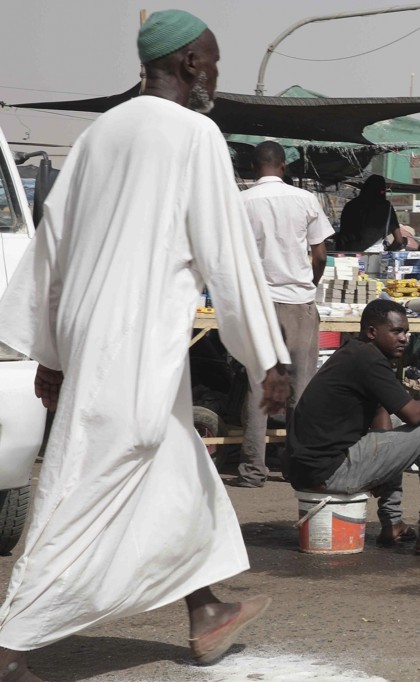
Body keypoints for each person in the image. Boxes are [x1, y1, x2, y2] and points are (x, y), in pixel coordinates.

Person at [0, 11, 292, 678]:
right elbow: (228, 256)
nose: (216, 74)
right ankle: (10, 647)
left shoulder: (101, 134)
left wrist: (49, 349)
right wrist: (266, 358)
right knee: (82, 495)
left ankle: (206, 609)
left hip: (104, 345)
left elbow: (55, 243)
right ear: (190, 64)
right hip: (130, 352)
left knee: (178, 471)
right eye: (212, 61)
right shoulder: (194, 135)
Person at [281, 299, 420, 559]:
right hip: (326, 471)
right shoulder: (368, 360)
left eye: (406, 332)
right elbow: (411, 413)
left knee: (396, 430)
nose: (404, 338)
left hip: (312, 468)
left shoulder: (355, 353)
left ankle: (392, 524)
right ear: (372, 332)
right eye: (396, 331)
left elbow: (381, 416)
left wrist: (382, 472)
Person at [229, 141, 334, 488]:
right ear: (284, 167)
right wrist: (309, 284)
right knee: (300, 390)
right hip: (297, 303)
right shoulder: (304, 200)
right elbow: (319, 254)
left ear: (252, 168)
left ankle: (252, 470)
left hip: (258, 304)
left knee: (259, 386)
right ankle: (295, 466)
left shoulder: (240, 202)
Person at [334, 174, 404, 253]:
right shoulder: (386, 207)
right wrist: (387, 251)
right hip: (375, 255)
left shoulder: (351, 205)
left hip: (350, 254)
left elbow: (343, 234)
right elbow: (399, 240)